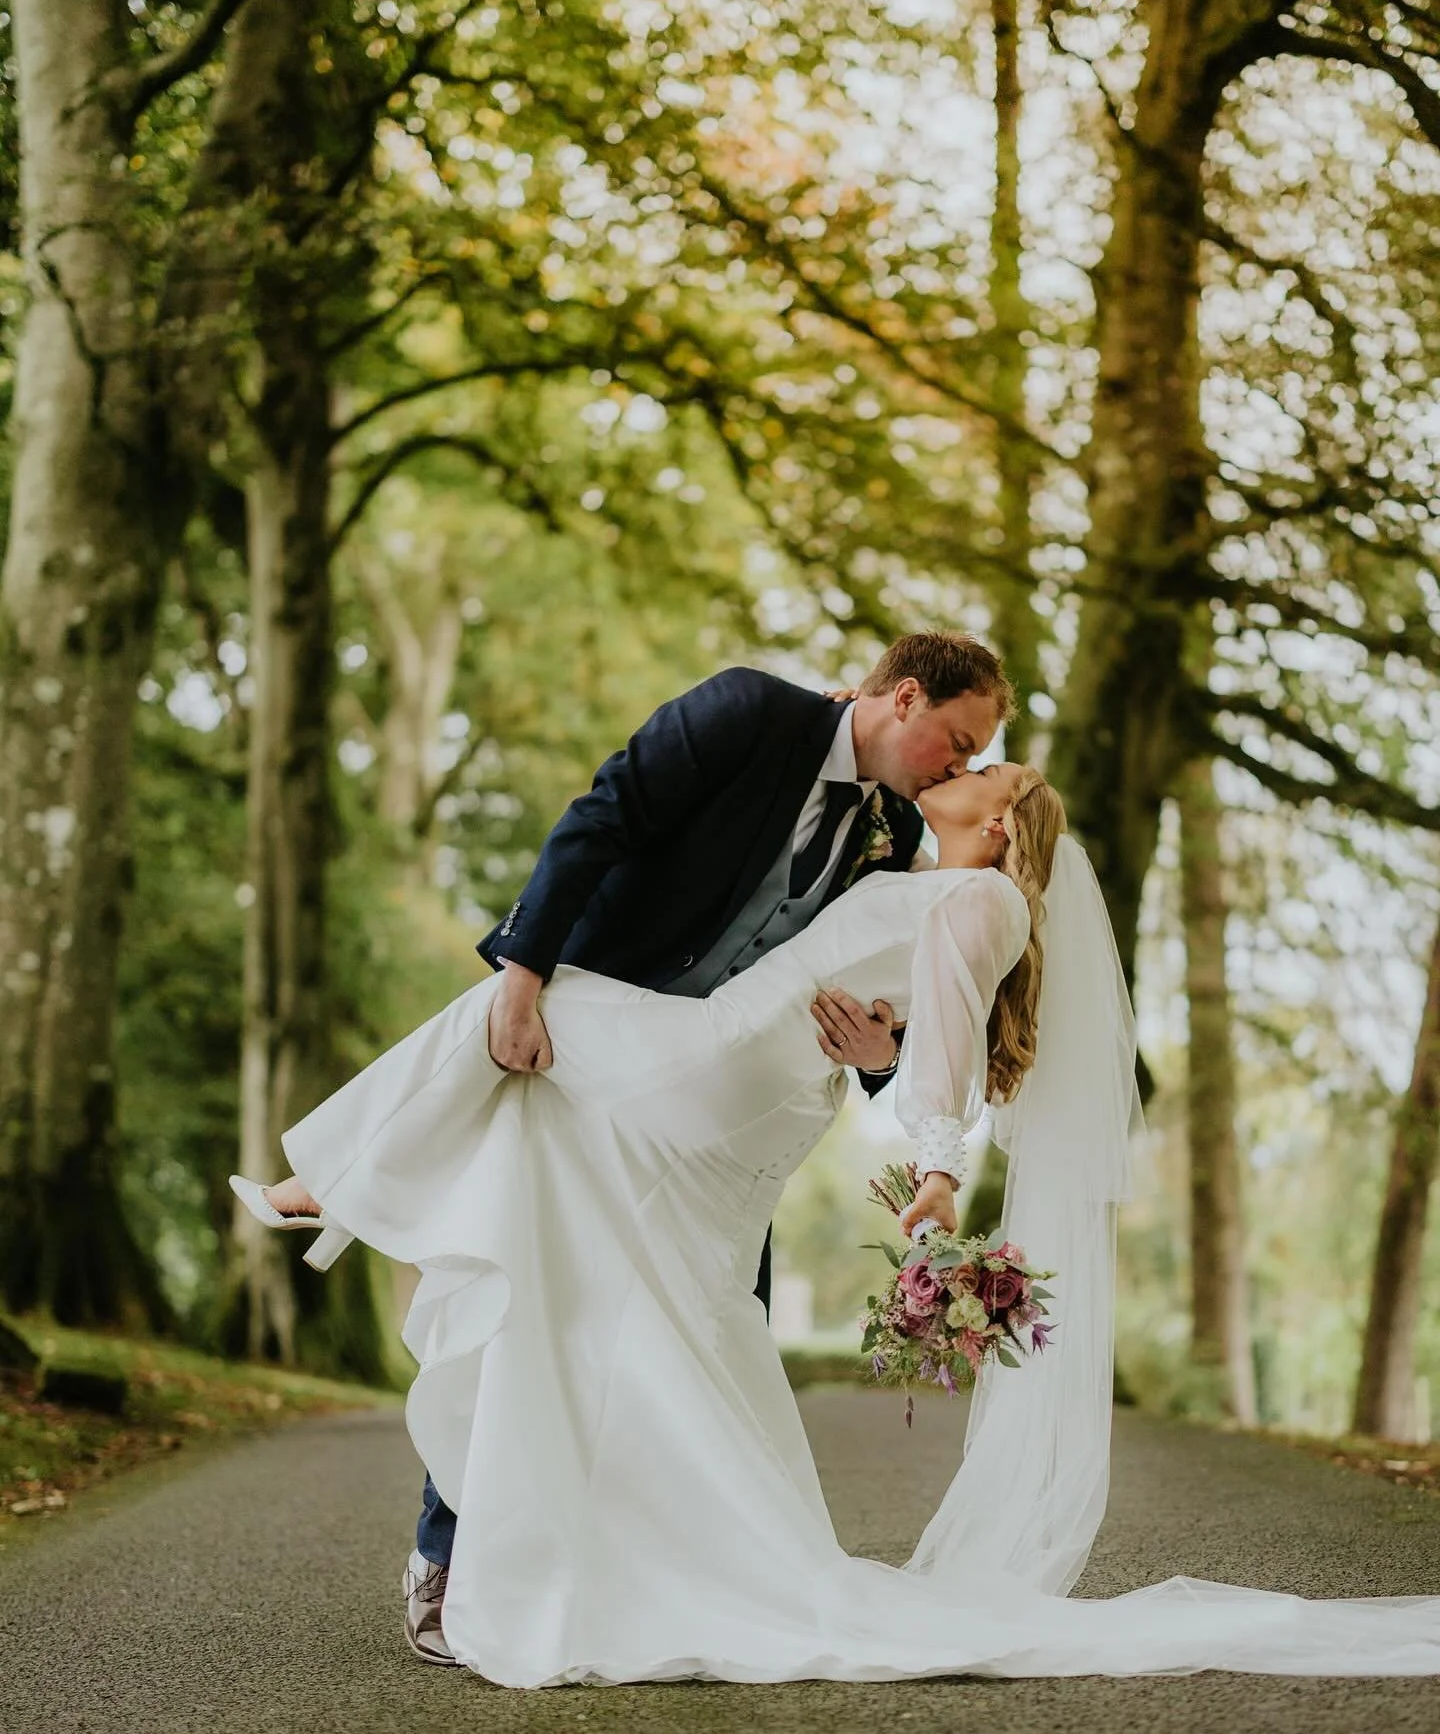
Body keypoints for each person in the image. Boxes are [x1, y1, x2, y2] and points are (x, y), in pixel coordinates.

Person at [235, 761, 1440, 1685]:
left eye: (982, 763)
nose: (962, 766)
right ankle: (369, 1233)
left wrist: (934, 1168)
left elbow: (952, 1041)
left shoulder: (978, 899)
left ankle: (327, 1186)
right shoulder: (933, 878)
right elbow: (911, 1017)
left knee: (522, 1003)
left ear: (1005, 817)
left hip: (720, 1063)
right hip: (753, 1083)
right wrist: (892, 1048)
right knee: (569, 1195)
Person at [236, 630, 1015, 1662]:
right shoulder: (750, 712)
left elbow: (879, 991)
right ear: (905, 696)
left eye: (974, 757)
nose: (957, 766)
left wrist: (881, 1055)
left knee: (702, 1351)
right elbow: (606, 813)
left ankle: (677, 1578)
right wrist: (523, 974)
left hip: (721, 1120)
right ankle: (449, 1557)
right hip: (604, 1043)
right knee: (527, 1294)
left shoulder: (894, 830)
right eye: (955, 740)